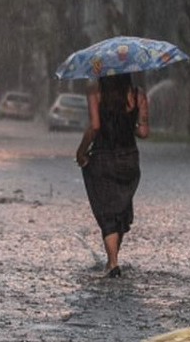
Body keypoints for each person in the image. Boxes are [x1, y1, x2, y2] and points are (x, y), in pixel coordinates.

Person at [75, 73, 149, 278]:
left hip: (103, 158)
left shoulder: (94, 91)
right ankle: (114, 257)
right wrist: (127, 123)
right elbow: (143, 132)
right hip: (129, 160)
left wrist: (81, 152)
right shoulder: (138, 94)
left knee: (106, 211)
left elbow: (95, 126)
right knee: (121, 208)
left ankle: (112, 262)